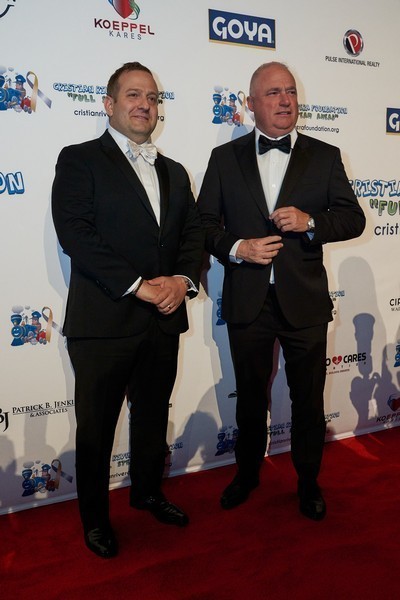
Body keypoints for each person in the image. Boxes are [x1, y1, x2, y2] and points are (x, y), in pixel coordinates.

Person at [198, 62, 365, 521]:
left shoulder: (324, 155)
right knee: (250, 399)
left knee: (308, 400)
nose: (285, 100)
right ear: (250, 103)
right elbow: (204, 226)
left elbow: (353, 219)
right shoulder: (224, 159)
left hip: (304, 301)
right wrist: (239, 248)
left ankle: (308, 482)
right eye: (273, 93)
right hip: (247, 300)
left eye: (290, 91)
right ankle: (247, 474)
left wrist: (312, 222)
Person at [52, 62, 203, 558]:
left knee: (152, 417)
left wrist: (181, 282)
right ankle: (96, 520)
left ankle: (148, 493)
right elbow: (76, 234)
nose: (145, 105)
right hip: (104, 322)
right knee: (97, 429)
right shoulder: (80, 159)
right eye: (134, 95)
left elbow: (192, 236)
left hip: (163, 319)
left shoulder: (175, 171)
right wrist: (139, 287)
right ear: (109, 104)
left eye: (153, 97)